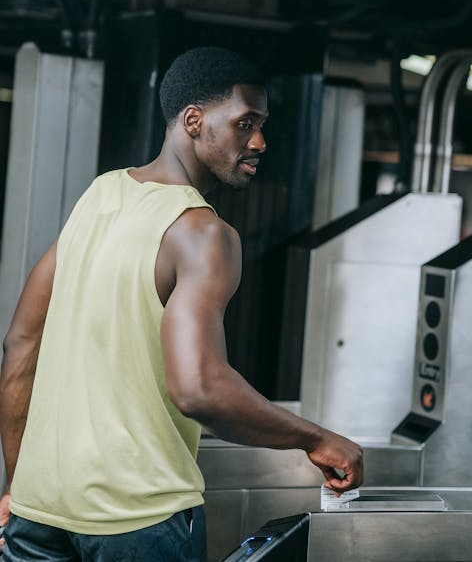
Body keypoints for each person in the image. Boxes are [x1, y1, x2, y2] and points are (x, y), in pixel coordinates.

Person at [0, 46, 363, 562]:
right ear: (194, 121)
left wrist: (21, 485)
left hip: (39, 517)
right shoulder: (204, 233)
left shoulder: (100, 195)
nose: (259, 141)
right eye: (245, 123)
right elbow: (199, 390)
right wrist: (318, 439)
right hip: (139, 520)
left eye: (261, 125)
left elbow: (21, 345)